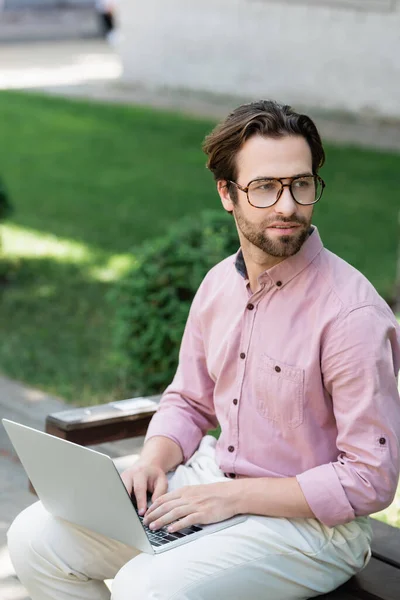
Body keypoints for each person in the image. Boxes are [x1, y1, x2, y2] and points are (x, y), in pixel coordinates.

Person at [7, 100, 400, 600]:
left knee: (145, 589)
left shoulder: (351, 315)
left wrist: (231, 497)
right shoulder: (219, 285)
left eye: (300, 184)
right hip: (212, 479)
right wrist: (153, 459)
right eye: (264, 187)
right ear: (227, 194)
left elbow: (370, 478)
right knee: (34, 538)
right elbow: (188, 401)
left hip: (313, 529)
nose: (287, 206)